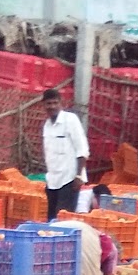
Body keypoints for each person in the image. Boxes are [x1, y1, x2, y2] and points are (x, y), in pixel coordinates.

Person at [41, 88, 89, 220]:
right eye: (49, 104)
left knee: (63, 220)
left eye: (55, 103)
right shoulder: (47, 126)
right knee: (51, 219)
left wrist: (79, 176)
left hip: (69, 180)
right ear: (43, 105)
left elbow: (82, 149)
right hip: (53, 181)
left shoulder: (70, 120)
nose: (52, 107)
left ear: (61, 103)